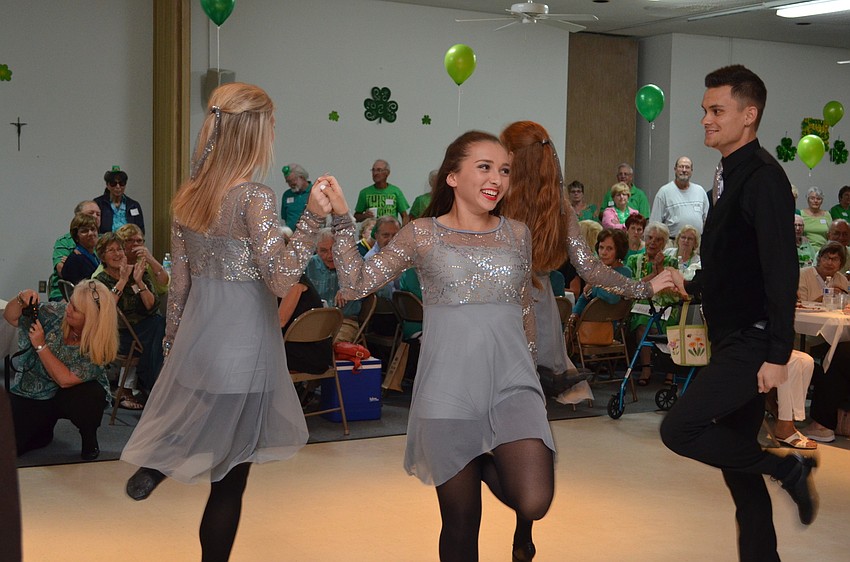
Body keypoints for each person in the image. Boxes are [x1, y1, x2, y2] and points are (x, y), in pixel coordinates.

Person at [326, 130, 680, 562]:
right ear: (453, 176)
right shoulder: (421, 234)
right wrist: (343, 220)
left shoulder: (517, 233)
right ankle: (466, 460)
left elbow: (526, 305)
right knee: (460, 525)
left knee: (534, 498)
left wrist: (642, 286)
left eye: (505, 170)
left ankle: (475, 462)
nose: (498, 178)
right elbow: (356, 282)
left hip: (511, 382)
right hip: (449, 388)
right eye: (485, 167)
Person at [120, 82, 333, 562]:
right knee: (229, 482)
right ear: (254, 131)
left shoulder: (189, 195)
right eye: (271, 122)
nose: (275, 131)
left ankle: (163, 457)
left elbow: (179, 285)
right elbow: (281, 279)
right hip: (244, 346)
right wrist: (312, 220)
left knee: (203, 428)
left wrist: (173, 345)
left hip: (201, 341)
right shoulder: (254, 197)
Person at [660, 65, 818, 562]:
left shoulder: (765, 177)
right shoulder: (729, 174)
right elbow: (735, 257)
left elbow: (780, 270)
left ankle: (787, 468)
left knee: (679, 429)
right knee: (739, 474)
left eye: (716, 110)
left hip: (752, 342)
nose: (706, 119)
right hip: (732, 337)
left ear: (749, 116)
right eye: (705, 110)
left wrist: (776, 352)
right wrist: (694, 284)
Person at [3, 281, 118, 460]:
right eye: (70, 302)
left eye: (76, 309)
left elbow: (65, 379)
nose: (68, 309)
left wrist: (41, 345)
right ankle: (43, 428)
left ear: (92, 317)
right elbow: (10, 317)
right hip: (35, 389)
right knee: (10, 446)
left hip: (70, 392)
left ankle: (89, 437)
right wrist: (20, 299)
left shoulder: (98, 346)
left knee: (91, 395)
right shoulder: (55, 312)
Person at [94, 233, 165, 403]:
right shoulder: (100, 281)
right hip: (119, 335)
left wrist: (139, 282)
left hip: (144, 330)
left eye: (119, 249)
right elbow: (106, 309)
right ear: (103, 256)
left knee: (160, 326)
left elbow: (151, 306)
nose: (117, 254)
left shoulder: (137, 271)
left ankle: (151, 385)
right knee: (160, 330)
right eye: (111, 250)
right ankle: (155, 385)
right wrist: (123, 280)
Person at [625, 222, 679, 385]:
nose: (653, 243)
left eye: (658, 240)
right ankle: (646, 368)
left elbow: (670, 288)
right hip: (641, 305)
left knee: (670, 325)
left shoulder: (671, 262)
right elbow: (631, 287)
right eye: (649, 238)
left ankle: (671, 370)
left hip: (666, 305)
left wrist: (660, 268)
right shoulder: (634, 260)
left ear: (664, 243)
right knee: (642, 323)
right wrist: (653, 274)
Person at [47, 200, 101, 302]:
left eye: (98, 214)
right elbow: (62, 271)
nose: (95, 216)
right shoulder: (76, 257)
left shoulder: (102, 243)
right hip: (76, 298)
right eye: (91, 213)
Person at [572, 229, 632, 316]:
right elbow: (584, 297)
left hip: (608, 324)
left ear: (619, 251)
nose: (603, 253)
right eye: (601, 247)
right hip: (589, 321)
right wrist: (574, 314)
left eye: (609, 249)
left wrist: (594, 285)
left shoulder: (624, 272)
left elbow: (611, 298)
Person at [305, 229, 361, 317]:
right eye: (323, 251)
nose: (330, 255)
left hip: (345, 320)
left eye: (334, 250)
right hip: (315, 320)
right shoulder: (309, 265)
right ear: (316, 250)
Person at [649, 156, 709, 236]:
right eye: (681, 167)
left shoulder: (700, 191)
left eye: (687, 167)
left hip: (696, 244)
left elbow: (708, 219)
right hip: (672, 243)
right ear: (675, 169)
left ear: (691, 171)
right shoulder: (664, 192)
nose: (684, 170)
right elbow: (654, 224)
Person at [115, 224, 170, 296]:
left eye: (139, 241)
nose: (135, 244)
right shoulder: (114, 261)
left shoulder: (144, 262)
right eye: (129, 240)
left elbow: (164, 284)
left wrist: (151, 260)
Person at [95, 167, 145, 234]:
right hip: (106, 242)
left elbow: (140, 230)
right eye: (113, 183)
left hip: (129, 241)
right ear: (107, 185)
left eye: (121, 183)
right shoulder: (98, 203)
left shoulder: (134, 205)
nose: (118, 187)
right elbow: (94, 227)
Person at [59, 213, 100, 285]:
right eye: (84, 231)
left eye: (93, 229)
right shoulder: (76, 260)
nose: (90, 233)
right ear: (76, 237)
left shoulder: (94, 255)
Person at [280, 163, 312, 231]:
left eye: (292, 181)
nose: (290, 184)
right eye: (288, 182)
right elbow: (284, 217)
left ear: (302, 177)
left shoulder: (315, 192)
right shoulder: (287, 195)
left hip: (312, 237)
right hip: (291, 237)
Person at [800, 186, 831, 251]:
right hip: (806, 250)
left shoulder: (827, 214)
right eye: (812, 198)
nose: (815, 201)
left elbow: (831, 235)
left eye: (818, 199)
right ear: (808, 199)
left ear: (822, 201)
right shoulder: (801, 214)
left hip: (824, 250)